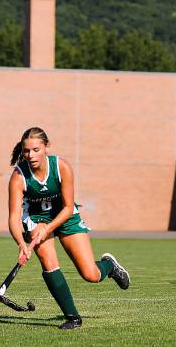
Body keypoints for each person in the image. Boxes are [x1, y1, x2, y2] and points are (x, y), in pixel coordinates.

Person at [8, 127, 130, 330]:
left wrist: (47, 229)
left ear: (47, 147)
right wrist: (21, 243)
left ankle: (109, 266)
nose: (30, 155)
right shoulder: (18, 177)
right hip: (36, 219)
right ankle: (73, 317)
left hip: (65, 217)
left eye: (36, 150)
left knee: (91, 275)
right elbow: (13, 217)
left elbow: (67, 207)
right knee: (49, 263)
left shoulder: (61, 167)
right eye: (26, 151)